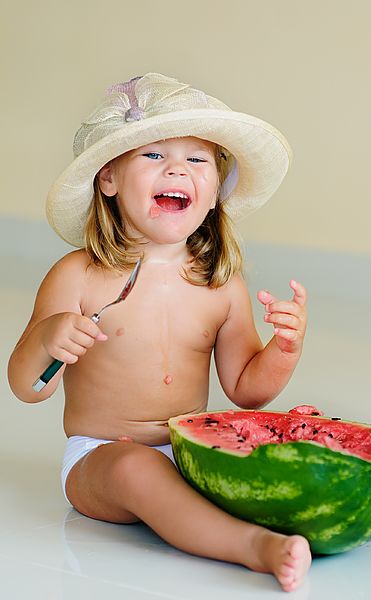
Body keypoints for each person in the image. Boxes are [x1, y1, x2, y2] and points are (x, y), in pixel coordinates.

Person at [8, 73, 310, 592]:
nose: (177, 168)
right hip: (102, 456)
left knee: (286, 450)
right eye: (153, 155)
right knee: (137, 470)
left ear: (216, 191)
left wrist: (284, 350)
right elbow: (27, 387)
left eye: (197, 160)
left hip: (196, 451)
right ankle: (251, 547)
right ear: (108, 179)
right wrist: (47, 340)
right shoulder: (76, 275)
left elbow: (247, 391)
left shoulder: (221, 285)